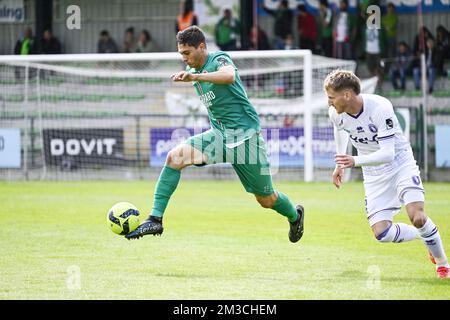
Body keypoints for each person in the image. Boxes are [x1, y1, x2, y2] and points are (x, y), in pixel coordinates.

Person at [126, 26, 304, 242]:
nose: (184, 59)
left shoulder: (218, 59)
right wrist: (195, 77)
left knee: (266, 199)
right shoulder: (196, 73)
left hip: (245, 138)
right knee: (174, 158)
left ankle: (295, 217)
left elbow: (228, 76)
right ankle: (155, 219)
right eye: (181, 54)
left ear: (201, 47)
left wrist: (195, 78)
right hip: (219, 137)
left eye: (187, 53)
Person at [324, 69, 450, 279]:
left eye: (331, 97)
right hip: (373, 174)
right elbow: (339, 128)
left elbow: (388, 153)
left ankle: (442, 264)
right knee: (381, 233)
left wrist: (354, 161)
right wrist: (340, 161)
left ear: (346, 95)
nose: (328, 102)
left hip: (400, 164)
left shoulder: (380, 107)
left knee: (417, 217)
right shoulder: (335, 112)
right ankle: (425, 236)